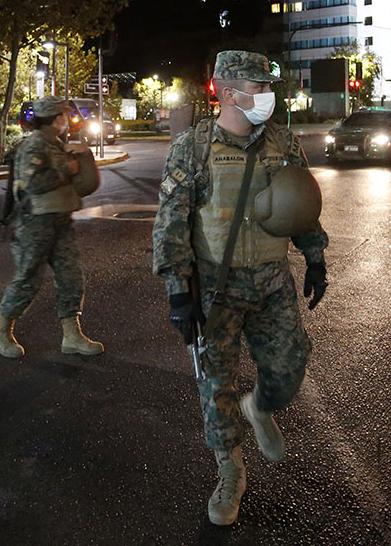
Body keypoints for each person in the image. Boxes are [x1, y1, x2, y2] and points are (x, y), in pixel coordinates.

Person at [153, 50, 329, 526]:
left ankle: (261, 407)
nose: (267, 97)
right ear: (228, 92)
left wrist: (314, 257)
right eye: (258, 88)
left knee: (290, 365)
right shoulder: (193, 148)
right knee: (215, 383)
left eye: (268, 88)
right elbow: (171, 223)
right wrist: (178, 291)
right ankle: (230, 471)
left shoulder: (284, 143)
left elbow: (301, 205)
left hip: (273, 282)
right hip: (216, 287)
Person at [0, 95, 105, 359]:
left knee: (71, 277)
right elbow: (33, 184)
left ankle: (72, 336)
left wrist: (77, 157)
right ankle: (1, 332)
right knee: (28, 279)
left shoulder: (55, 144)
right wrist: (67, 166)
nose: (67, 119)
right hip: (36, 224)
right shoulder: (34, 145)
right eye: (63, 115)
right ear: (54, 118)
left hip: (61, 221)